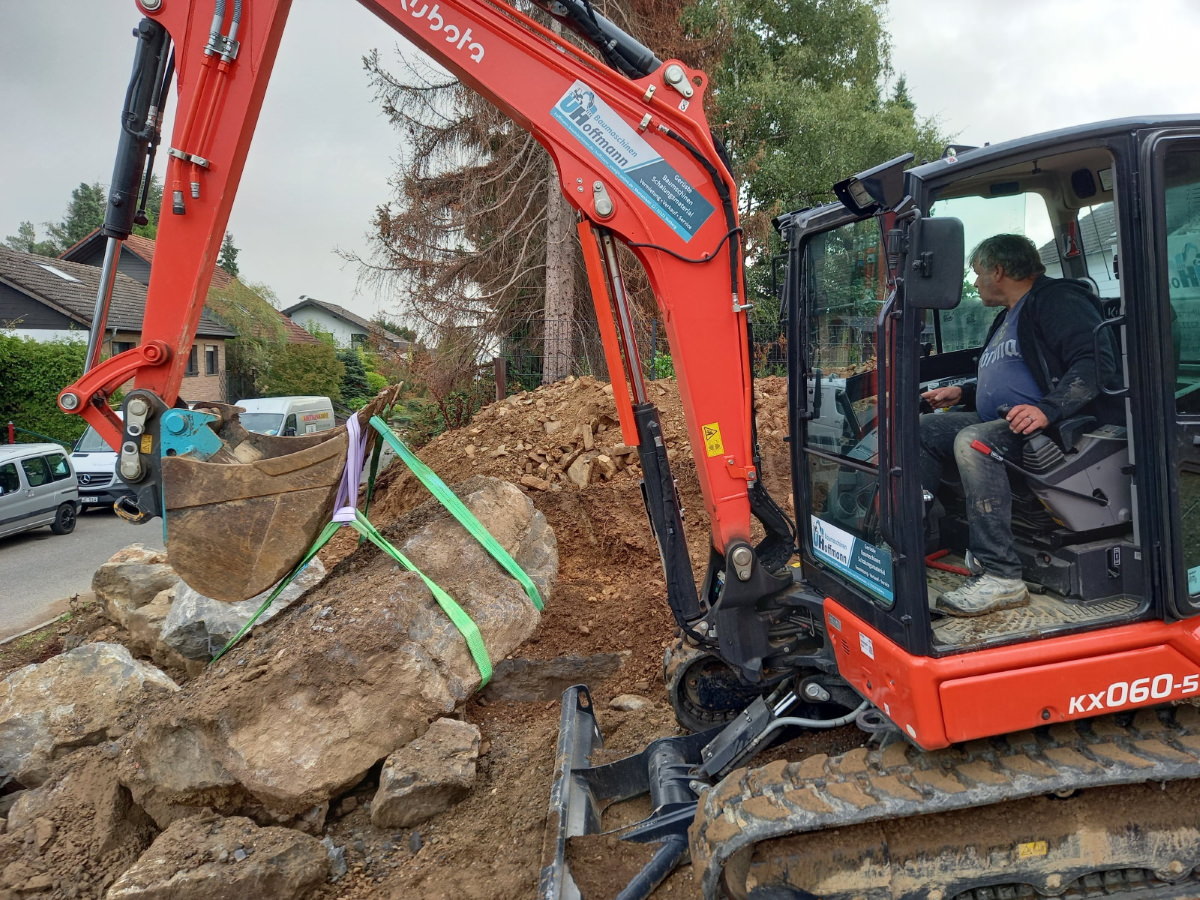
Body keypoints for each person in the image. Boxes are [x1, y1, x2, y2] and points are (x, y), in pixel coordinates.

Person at [919, 234, 1121, 617]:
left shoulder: (1057, 300)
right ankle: (914, 538)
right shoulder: (1008, 315)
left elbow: (1095, 362)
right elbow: (1013, 373)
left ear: (998, 270)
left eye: (979, 274)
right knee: (925, 429)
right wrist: (961, 393)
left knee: (974, 442)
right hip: (1006, 419)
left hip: (1059, 423)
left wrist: (1049, 409)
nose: (976, 283)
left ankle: (1001, 576)